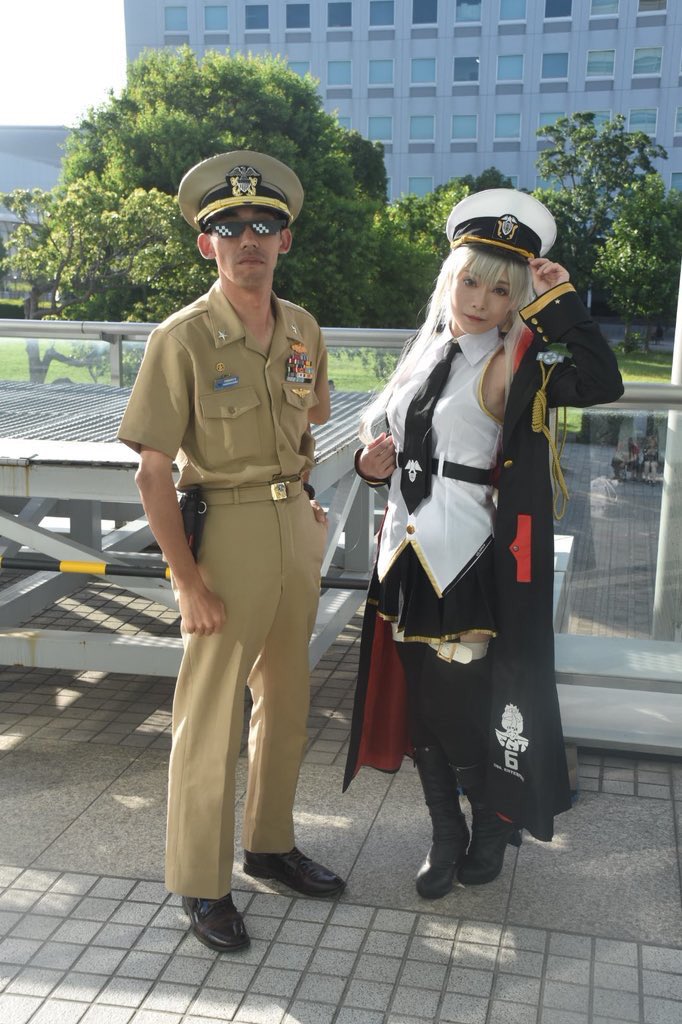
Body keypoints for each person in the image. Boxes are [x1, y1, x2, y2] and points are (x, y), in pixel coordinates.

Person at [343, 189, 624, 900]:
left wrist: (559, 302)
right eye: (470, 280)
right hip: (402, 556)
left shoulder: (515, 364)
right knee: (420, 705)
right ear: (450, 278)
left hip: (466, 562)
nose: (479, 300)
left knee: (459, 710)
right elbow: (390, 441)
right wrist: (368, 465)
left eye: (501, 290)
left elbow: (603, 380)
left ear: (515, 300)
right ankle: (447, 834)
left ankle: (492, 826)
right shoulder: (424, 349)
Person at [118, 150, 345, 952]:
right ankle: (201, 883)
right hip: (226, 530)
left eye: (264, 225)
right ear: (206, 243)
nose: (249, 238)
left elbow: (311, 413)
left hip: (293, 527)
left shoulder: (303, 328)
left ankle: (270, 846)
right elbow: (152, 472)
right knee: (210, 715)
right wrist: (187, 582)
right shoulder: (182, 337)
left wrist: (303, 502)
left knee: (287, 700)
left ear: (285, 239)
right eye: (229, 227)